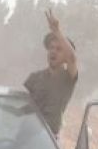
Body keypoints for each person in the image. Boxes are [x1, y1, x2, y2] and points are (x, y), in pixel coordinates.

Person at [24, 9, 78, 137]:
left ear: (65, 57)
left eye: (59, 49)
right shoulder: (34, 78)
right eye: (51, 48)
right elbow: (24, 109)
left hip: (50, 139)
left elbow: (72, 58)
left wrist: (56, 31)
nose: (53, 51)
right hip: (27, 135)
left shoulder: (67, 78)